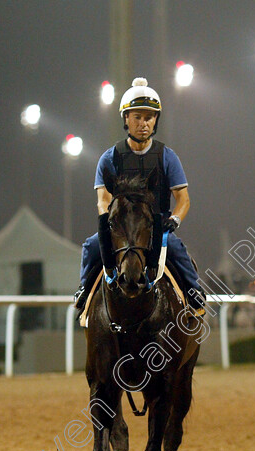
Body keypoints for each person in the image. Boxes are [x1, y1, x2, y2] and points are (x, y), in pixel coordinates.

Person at [74, 77, 204, 314]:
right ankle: (84, 291)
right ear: (126, 118)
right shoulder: (109, 158)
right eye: (138, 117)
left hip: (156, 227)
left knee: (177, 249)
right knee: (91, 246)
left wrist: (173, 220)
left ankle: (195, 293)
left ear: (156, 121)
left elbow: (183, 199)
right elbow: (103, 200)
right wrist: (108, 223)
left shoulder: (168, 156)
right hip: (120, 227)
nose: (144, 123)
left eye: (149, 117)